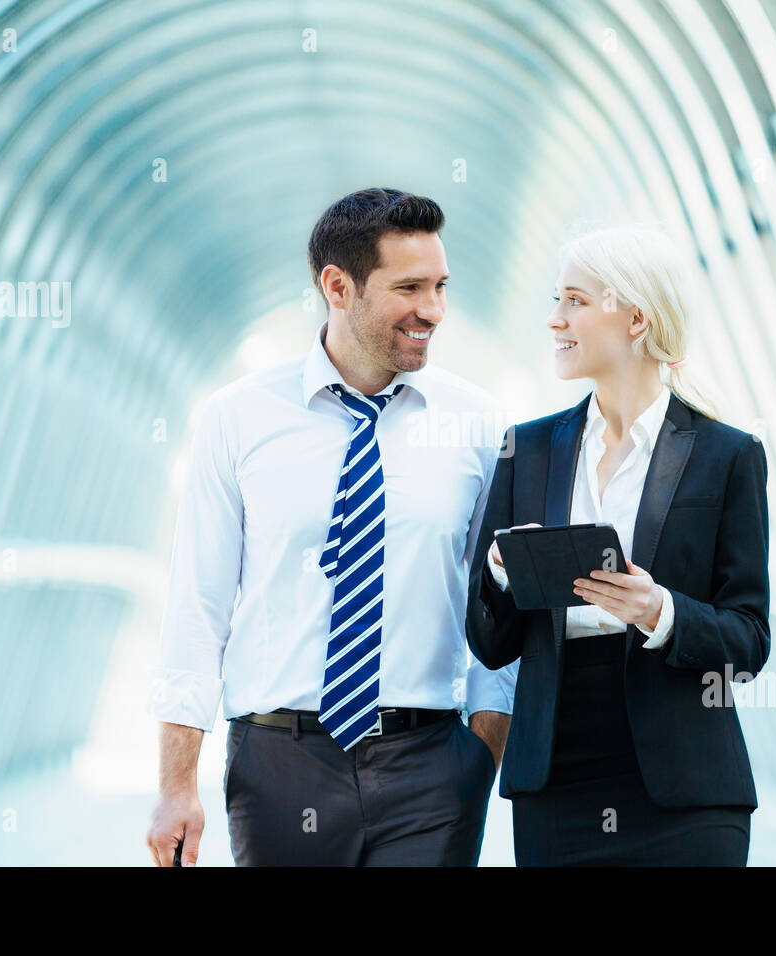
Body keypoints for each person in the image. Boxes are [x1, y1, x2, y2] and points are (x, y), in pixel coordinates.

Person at [146, 187, 516, 866]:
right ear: (338, 286)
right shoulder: (237, 419)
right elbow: (197, 608)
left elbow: (497, 604)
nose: (432, 310)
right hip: (279, 765)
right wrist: (176, 786)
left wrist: (480, 760)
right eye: (409, 288)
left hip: (431, 769)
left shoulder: (478, 425)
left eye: (440, 286)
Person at [465, 225, 770, 866]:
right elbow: (490, 644)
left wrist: (659, 611)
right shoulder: (529, 450)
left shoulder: (727, 455)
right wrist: (501, 572)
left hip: (687, 789)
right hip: (557, 779)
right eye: (556, 300)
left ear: (635, 317)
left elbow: (748, 642)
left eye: (574, 300)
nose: (555, 320)